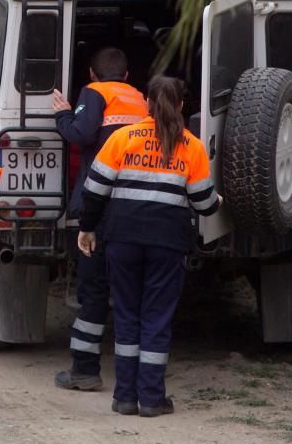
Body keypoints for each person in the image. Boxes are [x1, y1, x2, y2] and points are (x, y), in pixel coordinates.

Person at [79, 75, 220, 417]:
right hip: (167, 244)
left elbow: (94, 190)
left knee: (126, 314)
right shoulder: (191, 145)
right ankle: (152, 399)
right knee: (156, 317)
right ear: (182, 105)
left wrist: (87, 228)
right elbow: (204, 204)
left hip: (122, 239)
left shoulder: (122, 138)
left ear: (146, 102)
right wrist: (217, 202)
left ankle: (124, 398)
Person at [51, 47, 147, 391]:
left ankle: (85, 371)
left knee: (93, 289)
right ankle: (137, 378)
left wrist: (63, 115)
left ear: (91, 74)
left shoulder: (93, 93)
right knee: (129, 292)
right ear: (126, 75)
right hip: (135, 207)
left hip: (100, 205)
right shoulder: (139, 99)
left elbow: (81, 134)